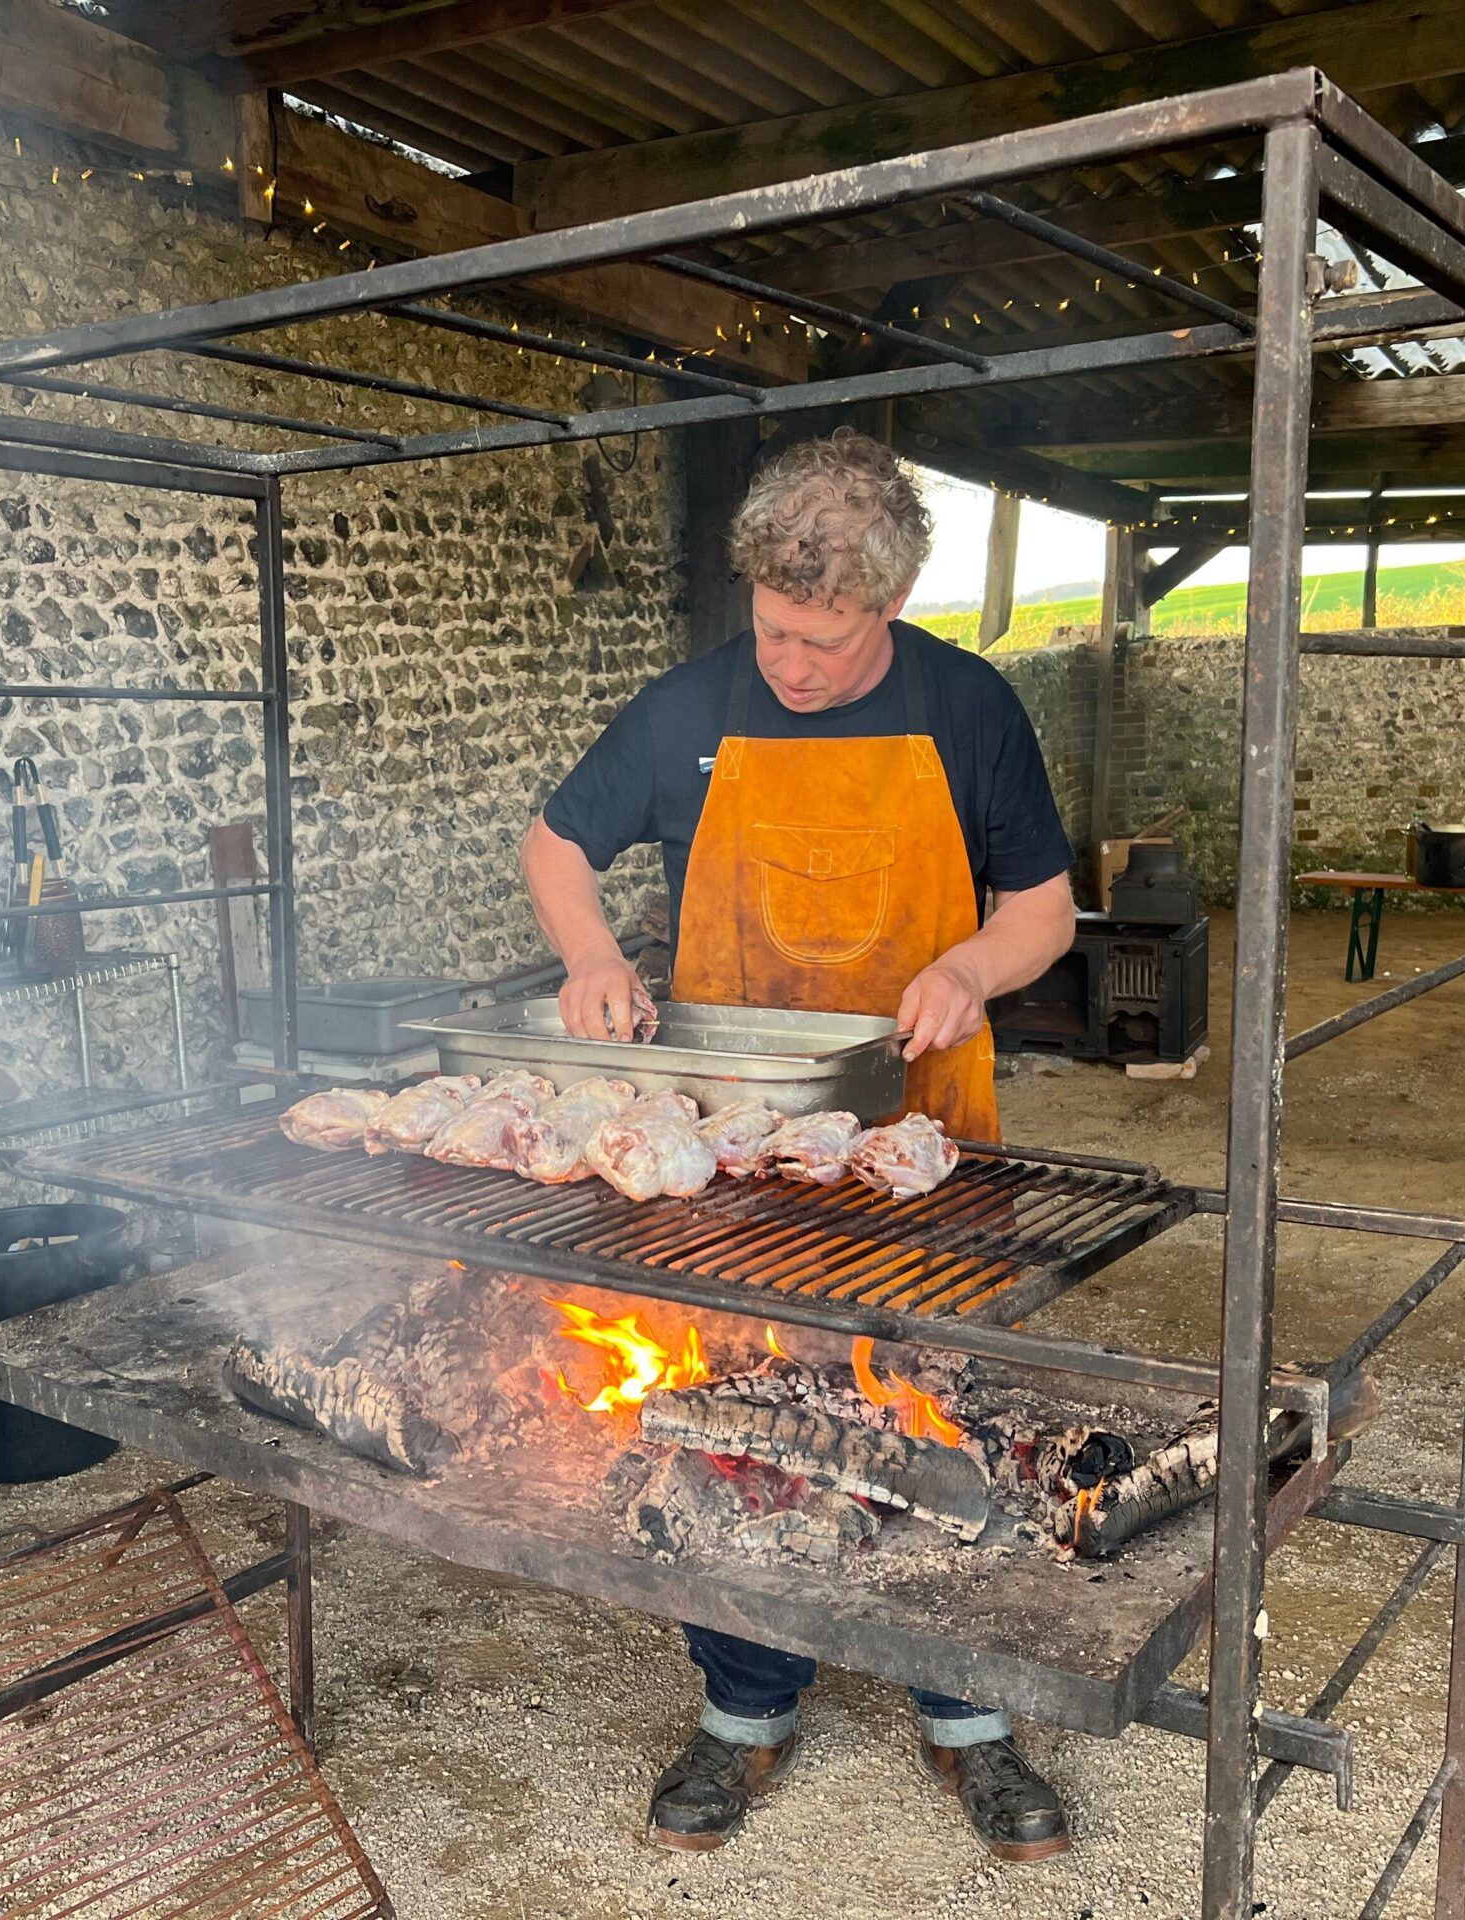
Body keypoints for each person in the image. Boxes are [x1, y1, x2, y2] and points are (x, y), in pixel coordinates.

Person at [521, 429, 1081, 1857]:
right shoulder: (691, 706)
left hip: (923, 1143)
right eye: (775, 630)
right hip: (737, 1156)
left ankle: (966, 1715)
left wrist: (969, 969)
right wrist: (588, 955)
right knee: (735, 1423)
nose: (796, 665)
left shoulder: (970, 708)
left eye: (827, 640)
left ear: (889, 607)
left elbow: (1045, 913)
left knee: (927, 1416)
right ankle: (746, 1707)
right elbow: (555, 844)